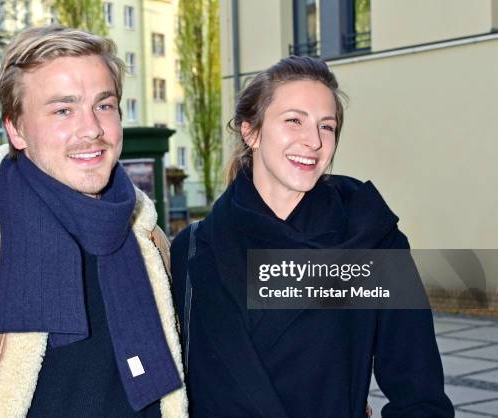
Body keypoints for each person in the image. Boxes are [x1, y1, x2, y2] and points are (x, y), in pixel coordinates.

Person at [0, 26, 187, 417]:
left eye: (104, 105)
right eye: (63, 110)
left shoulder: (148, 241)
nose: (92, 129)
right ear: (16, 129)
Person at [170, 56, 454, 417]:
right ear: (251, 131)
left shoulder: (372, 240)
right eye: (293, 121)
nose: (314, 142)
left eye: (327, 127)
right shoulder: (193, 249)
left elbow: (420, 396)